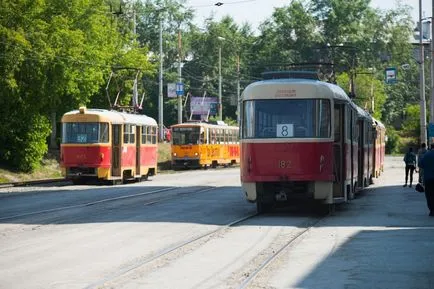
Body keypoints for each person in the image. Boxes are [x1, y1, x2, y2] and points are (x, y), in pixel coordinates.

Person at [418, 143, 434, 216]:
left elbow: (420, 164)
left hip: (428, 179)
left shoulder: (426, 155)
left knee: (429, 195)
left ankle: (432, 210)